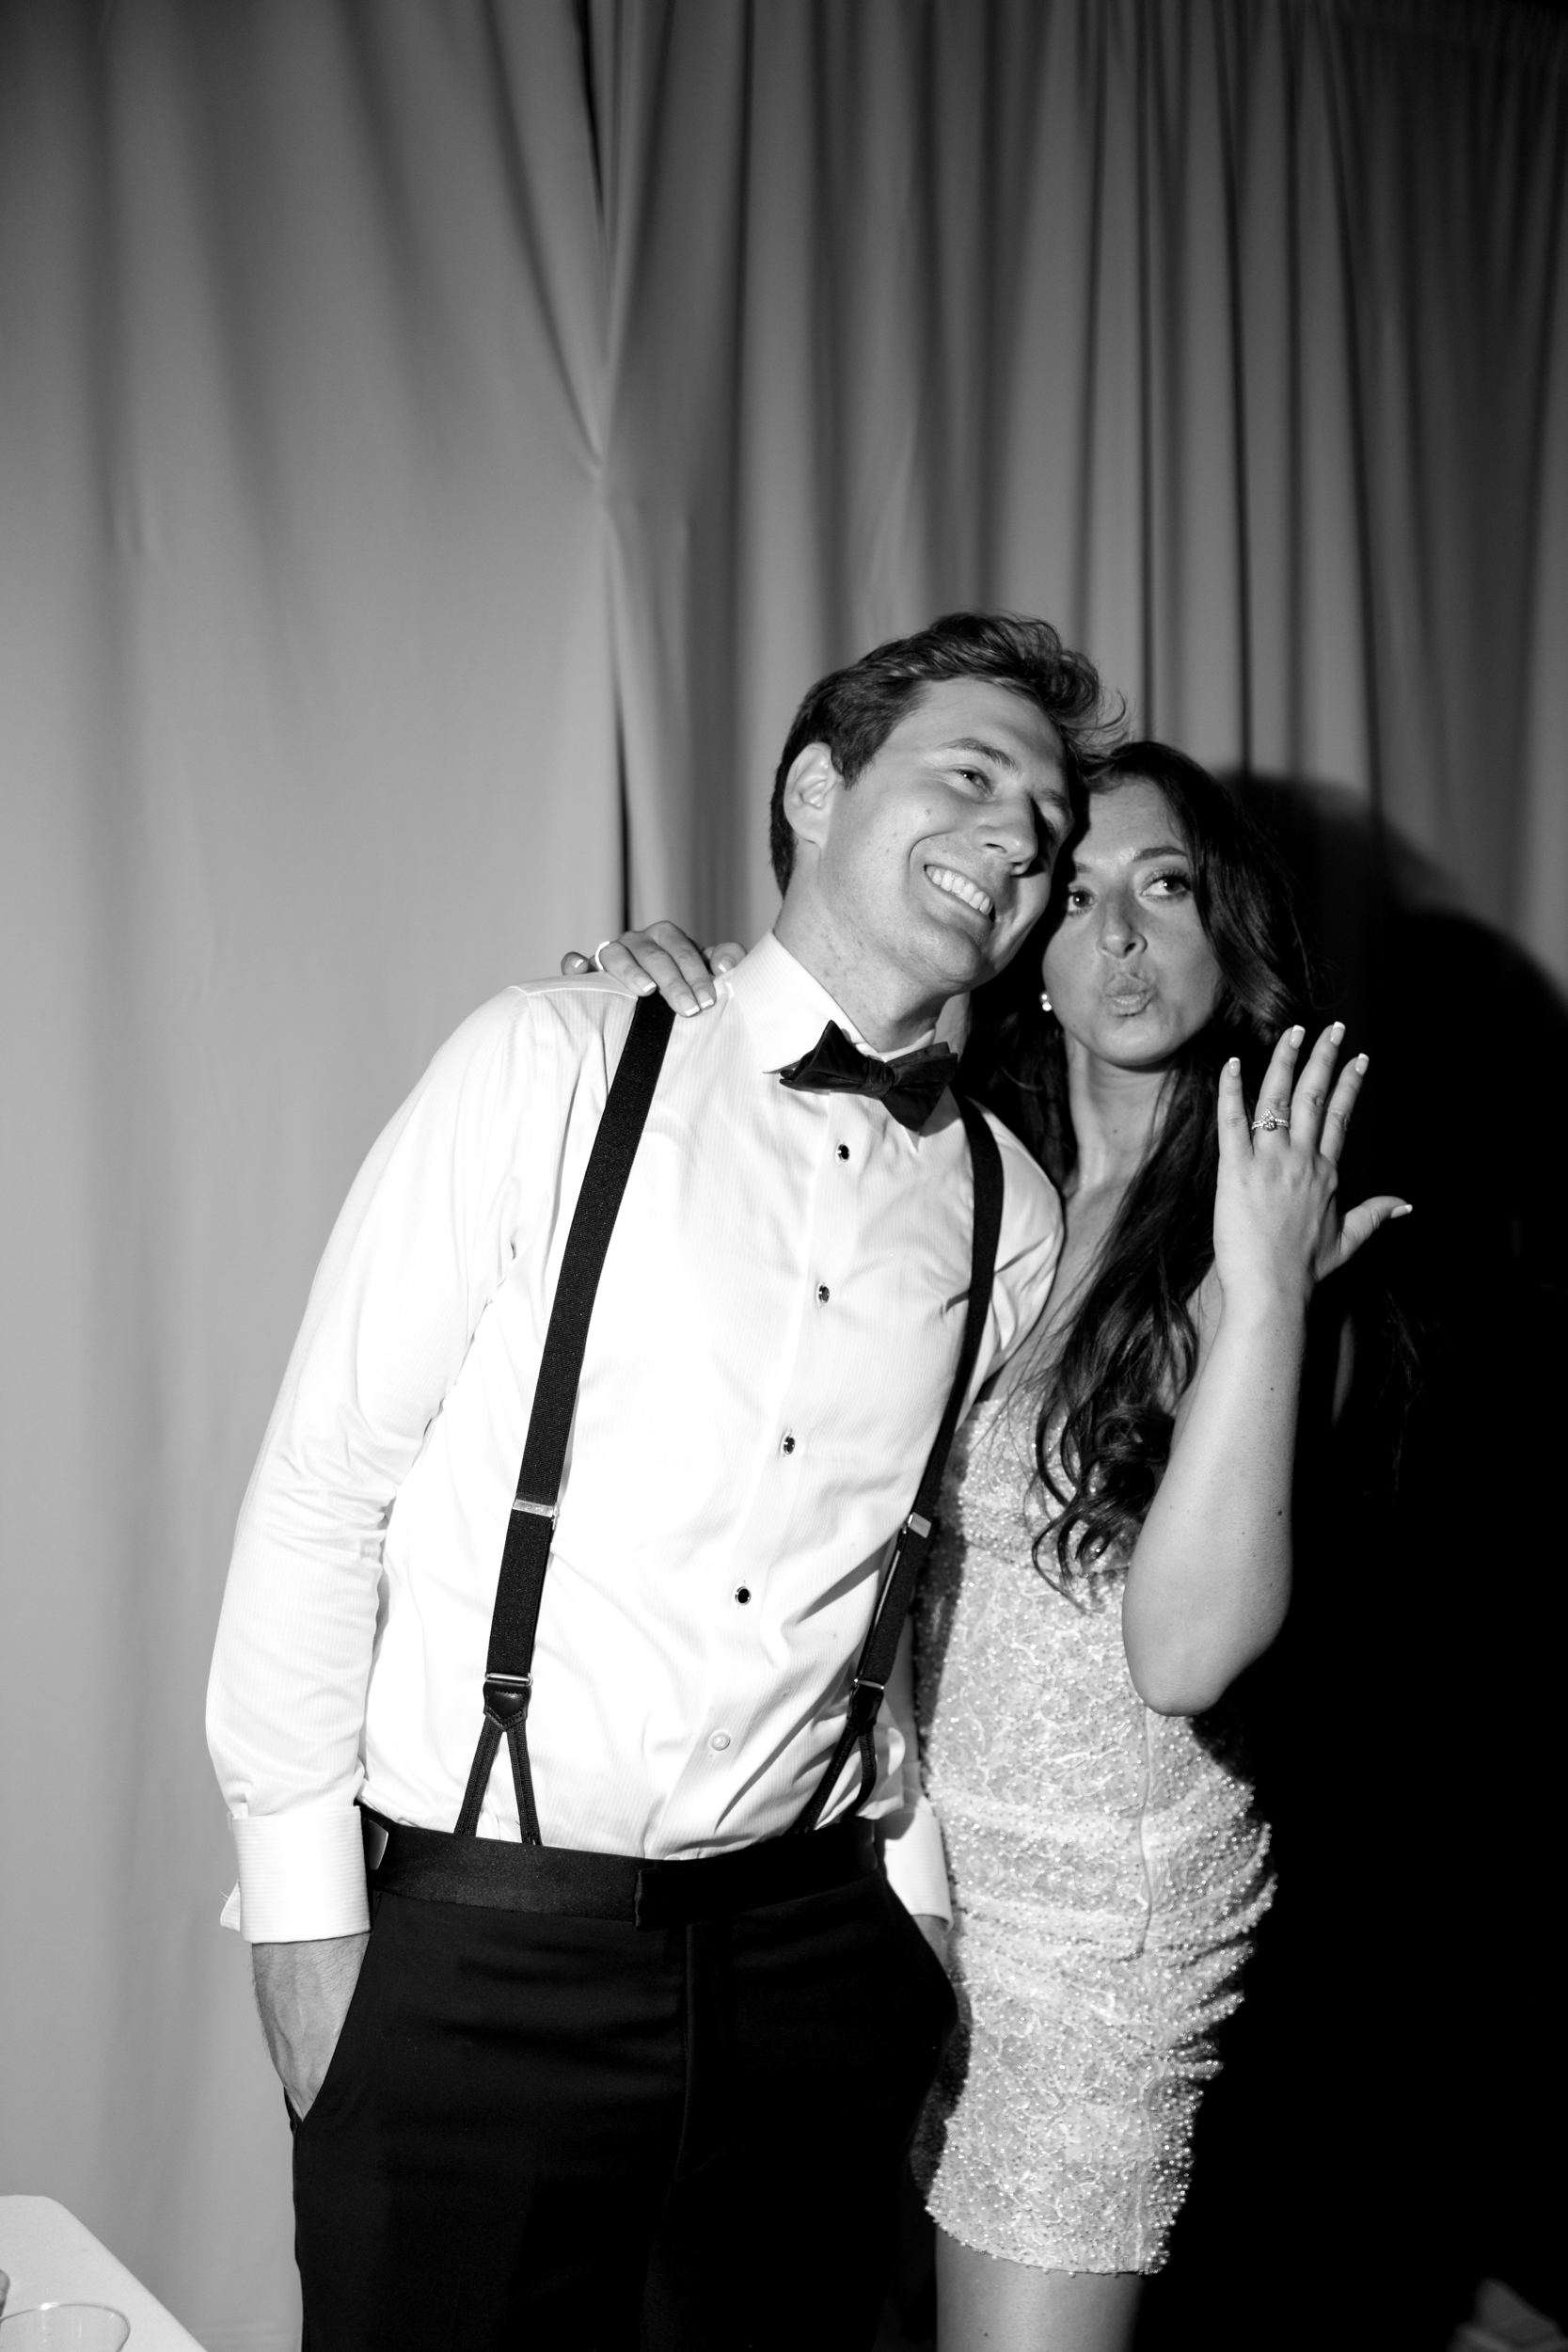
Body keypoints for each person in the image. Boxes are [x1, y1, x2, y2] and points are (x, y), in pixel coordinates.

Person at [205, 611, 1118, 2352]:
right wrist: (310, 1929)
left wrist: (908, 1925)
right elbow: (326, 1488)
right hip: (483, 1949)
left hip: (813, 1968)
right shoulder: (553, 1057)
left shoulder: (1012, 1202)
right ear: (815, 788)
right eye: (975, 778)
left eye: (1052, 829)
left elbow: (920, 1591)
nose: (1020, 840)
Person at [570, 739, 1408, 2352]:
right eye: (1075, 894)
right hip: (892, 1892)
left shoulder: (1279, 1237)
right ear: (1025, 951)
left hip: (1102, 1936)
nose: (1118, 937)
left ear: (1229, 925)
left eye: (1162, 886)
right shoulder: (979, 1179)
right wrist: (653, 1002)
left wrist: (1268, 1294)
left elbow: (1188, 1649)